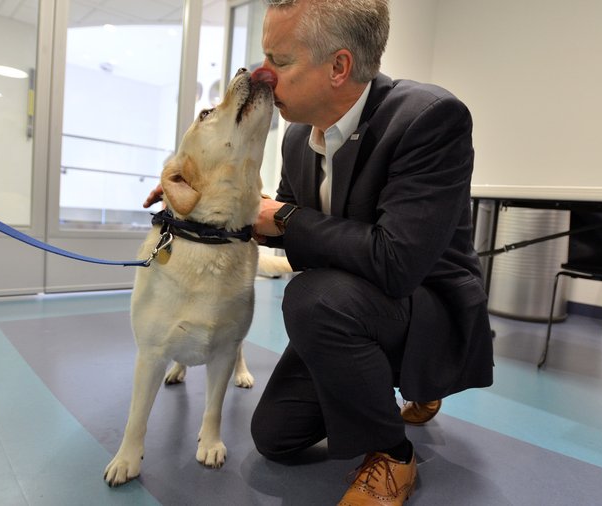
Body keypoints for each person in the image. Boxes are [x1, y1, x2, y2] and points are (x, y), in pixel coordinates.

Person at [144, 1, 493, 503]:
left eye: (280, 62)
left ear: (339, 67)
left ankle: (393, 455)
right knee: (276, 439)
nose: (264, 74)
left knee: (312, 297)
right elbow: (292, 236)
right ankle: (383, 377)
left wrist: (283, 217)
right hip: (349, 304)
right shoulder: (294, 139)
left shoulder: (430, 120)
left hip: (422, 304)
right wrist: (193, 208)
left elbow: (396, 265)